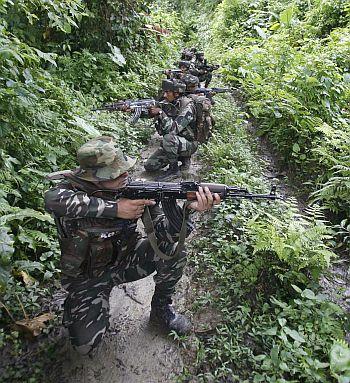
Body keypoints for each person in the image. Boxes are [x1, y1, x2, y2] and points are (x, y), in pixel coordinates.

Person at [44, 136, 221, 355]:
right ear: (94, 179)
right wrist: (115, 208)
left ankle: (160, 309)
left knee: (173, 251)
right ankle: (78, 306)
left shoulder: (136, 190)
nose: (126, 174)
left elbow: (164, 235)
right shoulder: (67, 191)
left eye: (124, 168)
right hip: (88, 275)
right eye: (116, 173)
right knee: (84, 346)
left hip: (127, 259)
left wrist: (186, 211)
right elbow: (52, 199)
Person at [144, 78, 198, 178]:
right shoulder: (167, 102)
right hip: (173, 143)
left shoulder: (187, 107)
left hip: (189, 144)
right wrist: (135, 110)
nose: (164, 95)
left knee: (168, 138)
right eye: (164, 92)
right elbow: (150, 113)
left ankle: (174, 170)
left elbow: (173, 129)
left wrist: (161, 112)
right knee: (149, 166)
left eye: (167, 92)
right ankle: (178, 156)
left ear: (176, 93)